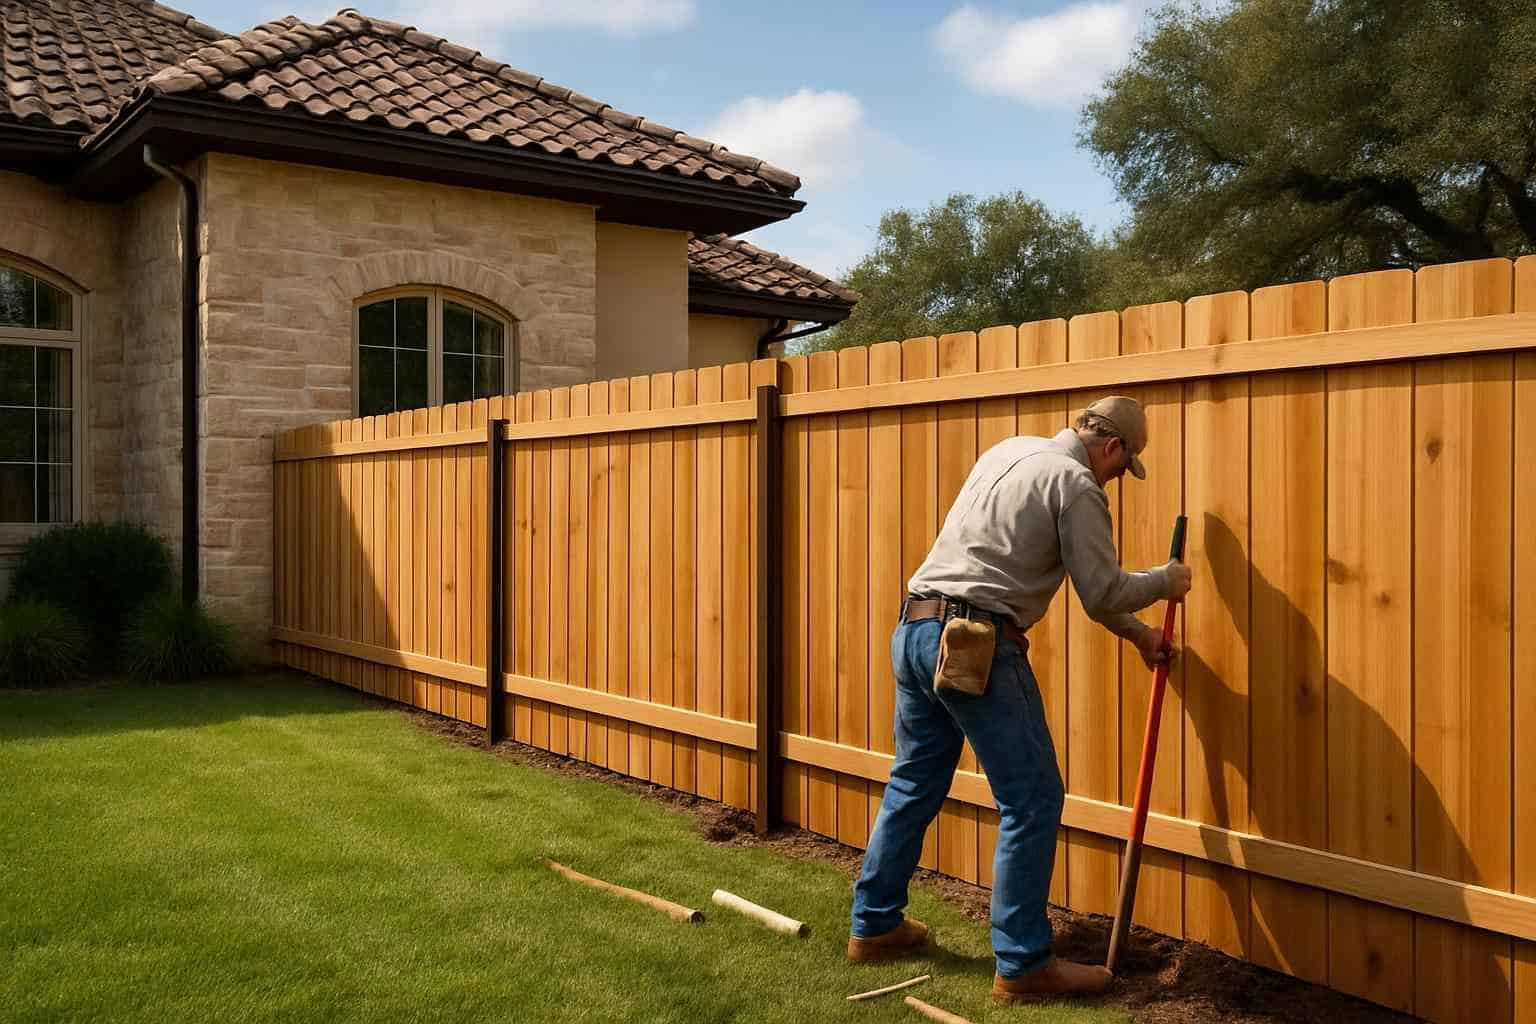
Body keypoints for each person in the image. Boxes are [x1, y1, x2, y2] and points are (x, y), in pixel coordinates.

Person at [845, 395, 1193, 1005]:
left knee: (914, 781)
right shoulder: (1077, 484)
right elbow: (1102, 589)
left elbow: (1023, 568)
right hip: (977, 642)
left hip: (917, 630)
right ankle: (1024, 963)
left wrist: (1139, 636)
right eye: (1123, 466)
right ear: (1113, 448)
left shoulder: (1007, 451)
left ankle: (874, 926)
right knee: (1032, 797)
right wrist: (1167, 580)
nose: (1117, 479)